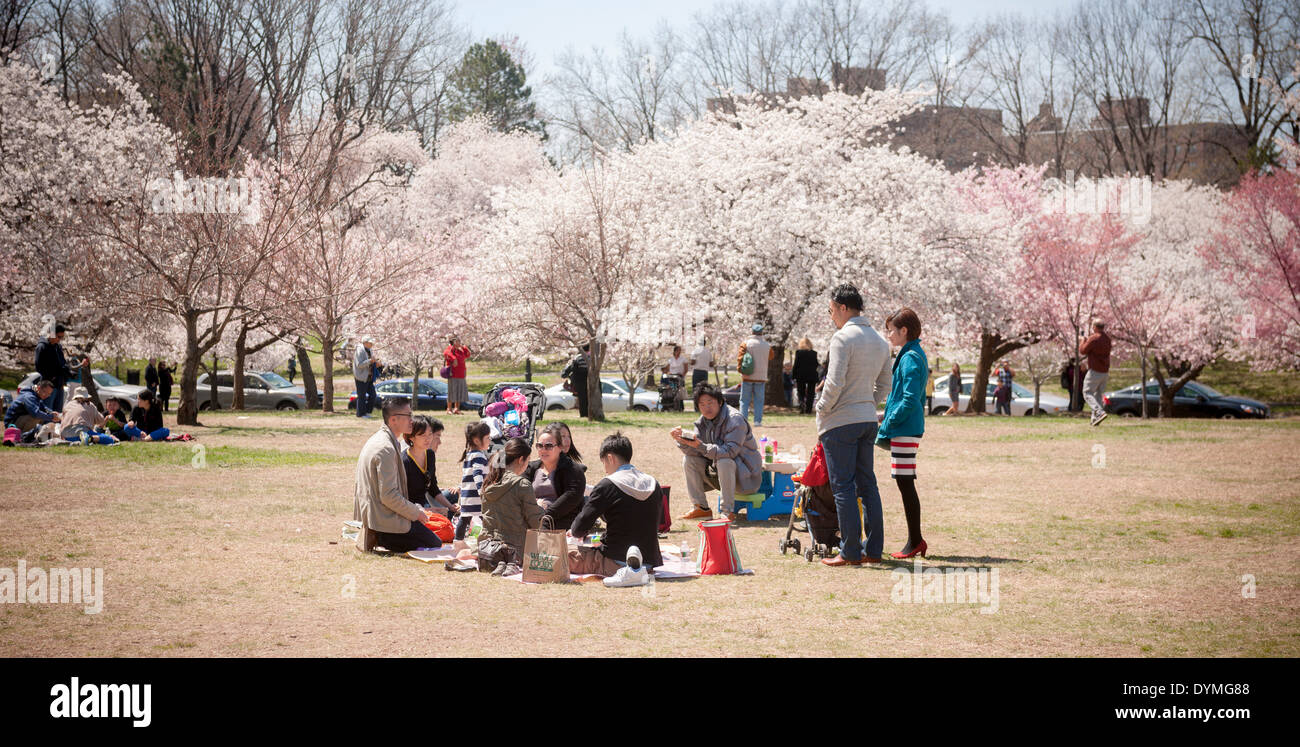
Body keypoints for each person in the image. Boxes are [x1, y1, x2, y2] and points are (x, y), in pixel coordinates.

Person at [816, 283, 891, 567]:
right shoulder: (880, 341)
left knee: (843, 487)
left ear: (844, 307)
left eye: (832, 310)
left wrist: (822, 408)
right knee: (868, 485)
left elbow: (833, 383)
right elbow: (886, 383)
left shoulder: (842, 338)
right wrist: (868, 402)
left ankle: (849, 551)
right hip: (867, 418)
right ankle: (873, 550)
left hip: (840, 420)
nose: (832, 315)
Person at [567, 432, 664, 586]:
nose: (605, 469)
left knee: (560, 553)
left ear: (610, 458)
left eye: (604, 462)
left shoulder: (608, 484)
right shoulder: (653, 484)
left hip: (615, 561)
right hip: (649, 563)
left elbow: (578, 529)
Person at [353, 397, 442, 553]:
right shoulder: (385, 448)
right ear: (394, 420)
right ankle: (381, 539)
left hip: (378, 517)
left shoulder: (384, 440)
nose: (412, 421)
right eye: (408, 415)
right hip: (383, 523)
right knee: (434, 542)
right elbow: (388, 495)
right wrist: (416, 512)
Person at [878, 309, 928, 559]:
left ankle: (915, 540)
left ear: (904, 330)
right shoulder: (913, 354)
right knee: (904, 482)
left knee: (905, 483)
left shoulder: (910, 357)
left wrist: (889, 420)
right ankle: (914, 539)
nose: (889, 335)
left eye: (891, 330)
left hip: (905, 428)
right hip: (907, 426)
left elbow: (909, 399)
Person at [672, 383, 762, 523]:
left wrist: (700, 446)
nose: (706, 408)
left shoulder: (735, 419)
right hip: (720, 476)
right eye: (701, 404)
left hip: (745, 479)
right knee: (689, 459)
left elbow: (730, 452)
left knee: (724, 460)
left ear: (720, 402)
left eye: (710, 403)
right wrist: (683, 441)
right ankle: (701, 508)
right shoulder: (702, 422)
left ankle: (727, 512)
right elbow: (697, 451)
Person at [479, 438, 544, 576]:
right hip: (516, 550)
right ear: (521, 459)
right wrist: (540, 509)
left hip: (486, 550)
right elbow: (535, 522)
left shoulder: (490, 481)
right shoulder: (521, 485)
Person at [523, 423, 587, 530]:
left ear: (560, 447)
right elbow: (521, 492)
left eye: (548, 446)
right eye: (539, 446)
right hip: (532, 517)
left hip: (559, 521)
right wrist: (534, 508)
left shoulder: (574, 471)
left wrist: (543, 514)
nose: (543, 450)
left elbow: (570, 498)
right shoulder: (530, 468)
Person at [402, 415, 458, 516]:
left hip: (424, 506)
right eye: (423, 435)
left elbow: (433, 488)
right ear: (411, 437)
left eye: (430, 434)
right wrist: (428, 511)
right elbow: (402, 499)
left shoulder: (430, 454)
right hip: (410, 512)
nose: (428, 439)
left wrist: (451, 507)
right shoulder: (404, 461)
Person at [35, 325, 86, 412]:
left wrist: (69, 372)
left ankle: (56, 426)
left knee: (58, 412)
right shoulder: (42, 347)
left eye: (62, 337)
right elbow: (38, 367)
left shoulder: (58, 347)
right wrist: (51, 377)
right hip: (48, 385)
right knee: (47, 411)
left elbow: (63, 363)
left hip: (59, 384)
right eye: (58, 337)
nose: (60, 339)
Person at [457, 421, 491, 540]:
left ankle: (459, 540)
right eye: (487, 438)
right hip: (476, 497)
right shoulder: (478, 456)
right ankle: (481, 539)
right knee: (483, 518)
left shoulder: (469, 455)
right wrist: (482, 491)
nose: (489, 440)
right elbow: (477, 474)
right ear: (477, 440)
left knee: (465, 519)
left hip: (467, 496)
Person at [737, 323, 774, 425]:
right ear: (762, 333)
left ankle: (743, 421)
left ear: (752, 332)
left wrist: (740, 370)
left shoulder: (746, 344)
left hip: (747, 375)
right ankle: (757, 421)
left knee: (744, 400)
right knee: (759, 400)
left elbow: (740, 358)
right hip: (761, 376)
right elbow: (771, 357)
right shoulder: (767, 345)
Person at [1080, 318, 1112, 426]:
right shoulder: (1107, 339)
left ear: (1094, 327)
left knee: (1087, 392)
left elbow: (1083, 350)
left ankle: (1099, 412)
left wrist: (1083, 340)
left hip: (1095, 370)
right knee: (1098, 394)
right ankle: (1095, 419)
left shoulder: (1094, 338)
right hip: (1105, 371)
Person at [442, 337, 471, 415]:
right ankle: (449, 409)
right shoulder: (450, 350)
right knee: (452, 391)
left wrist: (464, 348)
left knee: (459, 392)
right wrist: (454, 358)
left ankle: (457, 409)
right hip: (453, 374)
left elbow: (468, 355)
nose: (459, 343)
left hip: (461, 374)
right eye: (458, 341)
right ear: (453, 342)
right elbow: (446, 353)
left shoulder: (459, 351)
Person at [561, 344, 590, 418]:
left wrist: (564, 375)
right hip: (590, 381)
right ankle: (588, 414)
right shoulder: (592, 358)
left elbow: (569, 369)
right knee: (588, 399)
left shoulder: (577, 358)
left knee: (582, 399)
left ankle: (584, 414)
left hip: (580, 382)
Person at [353, 336, 379, 419]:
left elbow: (370, 362)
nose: (372, 344)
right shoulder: (360, 350)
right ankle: (360, 414)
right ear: (365, 342)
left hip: (369, 377)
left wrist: (375, 363)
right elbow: (359, 365)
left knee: (373, 395)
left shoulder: (369, 350)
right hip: (361, 377)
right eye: (370, 343)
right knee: (361, 396)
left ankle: (367, 412)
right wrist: (370, 361)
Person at [793, 337, 819, 415]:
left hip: (800, 375)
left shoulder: (799, 352)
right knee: (811, 393)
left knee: (801, 392)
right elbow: (816, 364)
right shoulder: (814, 353)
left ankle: (801, 405)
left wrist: (793, 375)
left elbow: (796, 364)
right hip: (811, 375)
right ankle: (809, 409)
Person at [663, 344, 689, 408]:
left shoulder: (683, 359)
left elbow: (686, 369)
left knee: (680, 392)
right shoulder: (671, 360)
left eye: (680, 351)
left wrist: (682, 376)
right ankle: (672, 405)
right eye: (678, 350)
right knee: (672, 391)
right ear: (674, 351)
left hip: (679, 376)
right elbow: (667, 368)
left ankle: (681, 406)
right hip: (672, 377)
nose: (679, 352)